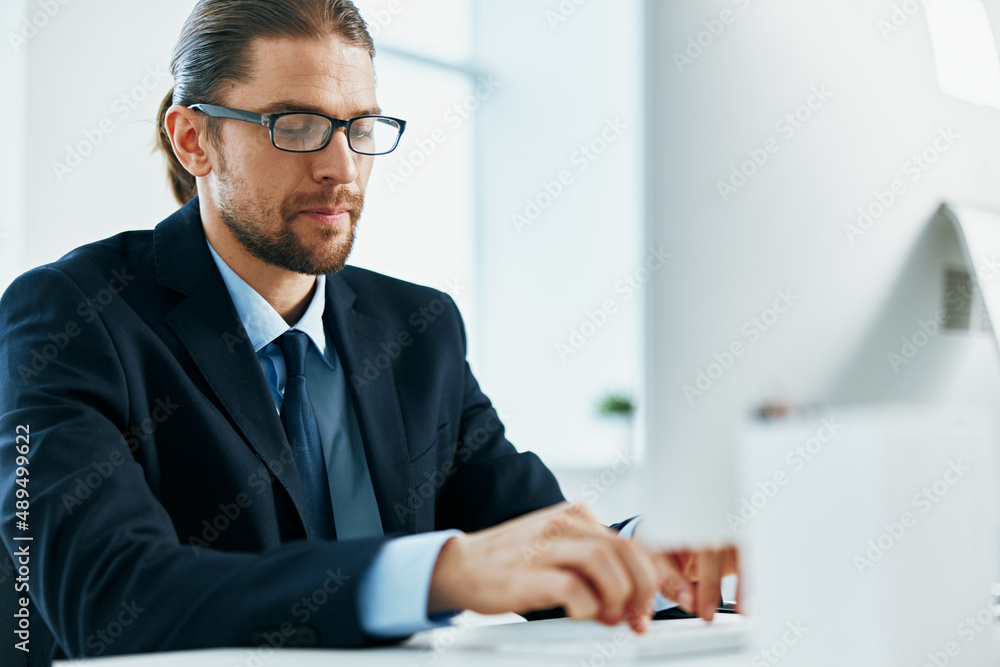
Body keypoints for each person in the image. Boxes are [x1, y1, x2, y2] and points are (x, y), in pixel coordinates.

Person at [0, 1, 737, 664]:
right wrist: (438, 572)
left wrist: (657, 558)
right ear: (194, 140)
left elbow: (530, 540)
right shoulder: (68, 315)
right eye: (296, 126)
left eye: (361, 127)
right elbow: (103, 596)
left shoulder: (419, 330)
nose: (341, 167)